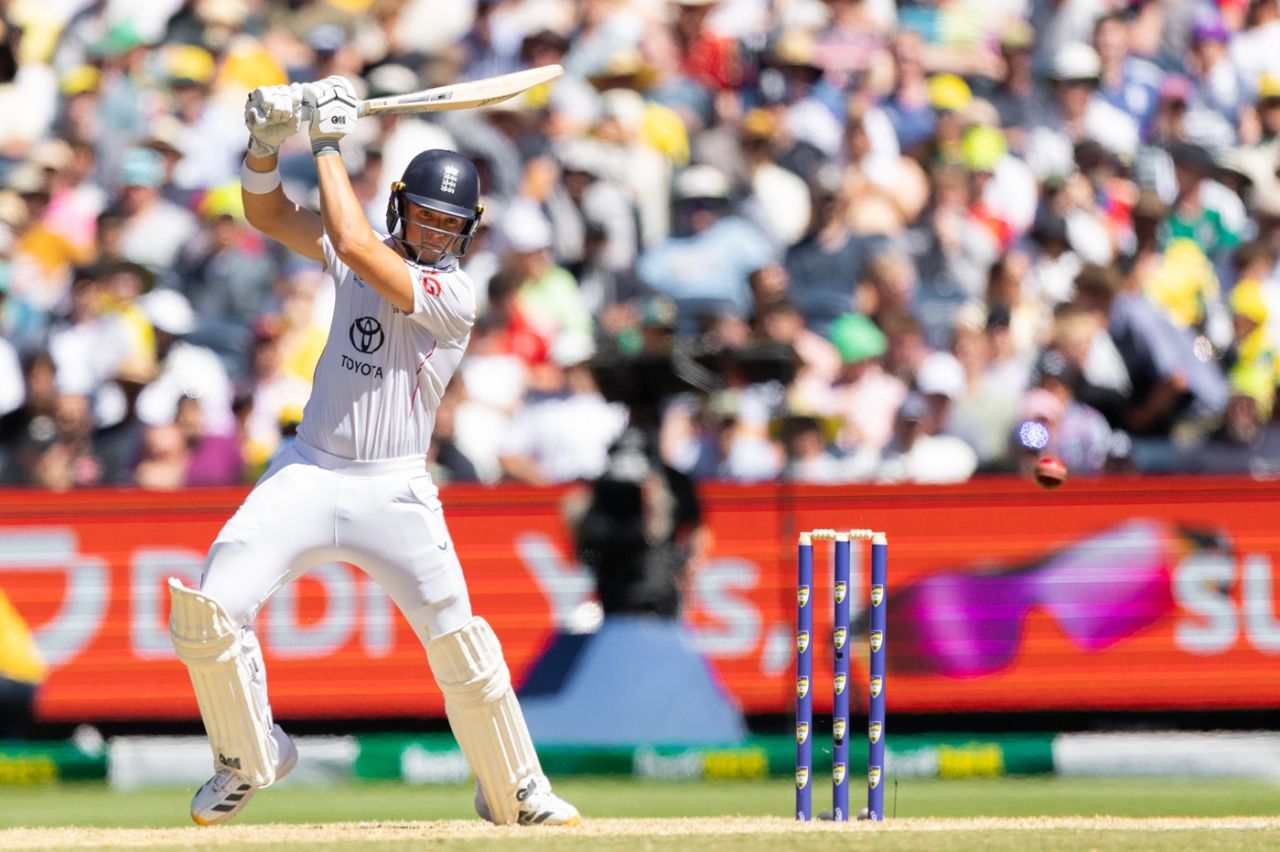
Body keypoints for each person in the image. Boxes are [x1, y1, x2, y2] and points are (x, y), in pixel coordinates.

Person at [167, 77, 580, 827]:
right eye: (421, 217)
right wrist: (265, 144)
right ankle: (251, 754)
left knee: (459, 641)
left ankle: (515, 788)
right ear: (399, 205)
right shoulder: (356, 247)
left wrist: (324, 140)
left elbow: (356, 242)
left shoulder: (454, 298)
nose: (431, 235)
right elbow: (264, 211)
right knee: (208, 612)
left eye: (447, 225)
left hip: (394, 490)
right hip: (309, 470)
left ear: (468, 232)